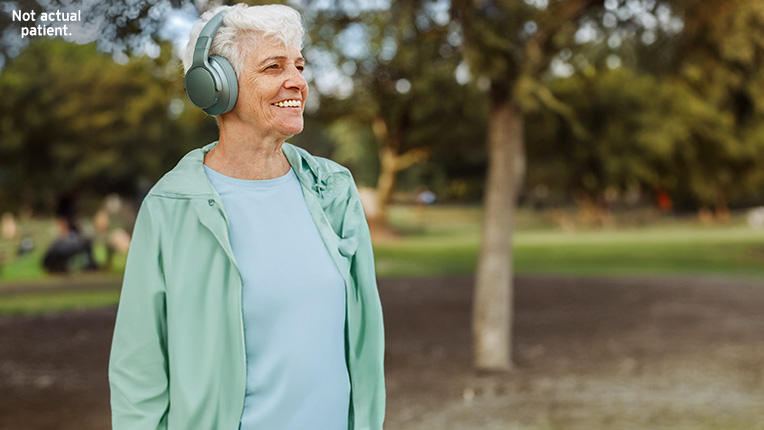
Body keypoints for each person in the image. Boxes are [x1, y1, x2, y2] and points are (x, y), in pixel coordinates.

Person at [108, 4, 385, 430]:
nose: (297, 81)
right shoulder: (170, 207)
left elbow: (365, 344)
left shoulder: (335, 190)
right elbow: (138, 369)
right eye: (273, 67)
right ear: (214, 86)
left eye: (299, 64)